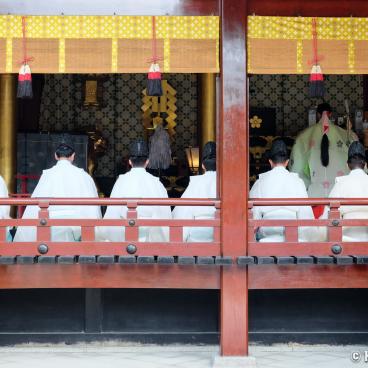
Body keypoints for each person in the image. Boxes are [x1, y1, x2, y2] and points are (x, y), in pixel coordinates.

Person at [14, 136, 101, 242]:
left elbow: (33, 208)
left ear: (55, 156)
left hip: (50, 228)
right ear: (73, 156)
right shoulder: (83, 176)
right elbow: (93, 209)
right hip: (77, 229)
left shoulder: (48, 175)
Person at [99, 139, 171, 242]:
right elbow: (165, 213)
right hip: (150, 238)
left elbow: (112, 212)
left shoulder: (121, 181)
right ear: (147, 162)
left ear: (129, 162)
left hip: (125, 235)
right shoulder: (156, 183)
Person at [250, 139, 319, 242]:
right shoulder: (298, 181)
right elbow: (305, 215)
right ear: (287, 162)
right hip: (292, 233)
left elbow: (253, 215)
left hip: (268, 233)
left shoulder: (260, 182)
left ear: (270, 162)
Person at [290, 102, 357, 198]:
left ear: (318, 114)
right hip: (338, 194)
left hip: (314, 194)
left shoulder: (304, 135)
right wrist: (350, 130)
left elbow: (297, 161)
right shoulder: (344, 134)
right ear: (330, 114)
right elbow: (355, 144)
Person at [322, 141, 368, 242]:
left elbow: (327, 214)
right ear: (365, 165)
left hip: (347, 241)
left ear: (347, 165)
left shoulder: (341, 183)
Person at [172, 141, 217, 242]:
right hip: (225, 234)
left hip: (198, 236)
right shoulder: (228, 182)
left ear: (203, 166)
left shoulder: (196, 183)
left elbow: (181, 213)